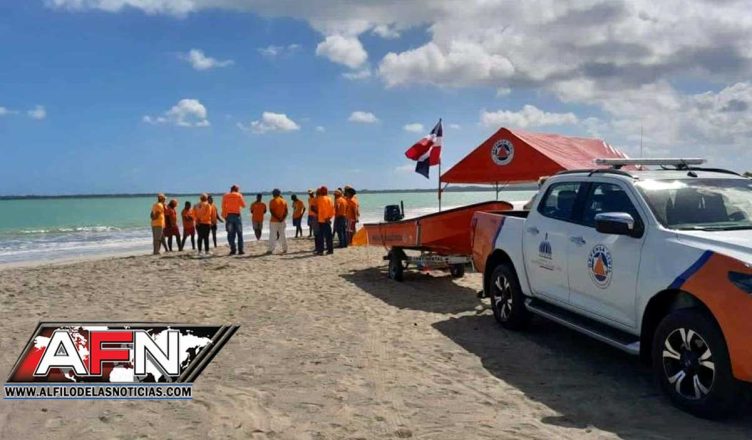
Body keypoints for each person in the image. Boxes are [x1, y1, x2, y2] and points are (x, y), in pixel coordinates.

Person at [222, 185, 246, 255]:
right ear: (237, 189)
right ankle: (240, 250)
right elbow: (243, 205)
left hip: (229, 216)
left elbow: (223, 207)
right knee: (239, 233)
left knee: (230, 234)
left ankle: (233, 249)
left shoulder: (225, 196)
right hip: (237, 216)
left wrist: (225, 216)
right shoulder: (239, 195)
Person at [267, 189, 288, 254]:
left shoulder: (272, 201)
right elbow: (286, 212)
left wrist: (278, 218)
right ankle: (285, 249)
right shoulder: (284, 201)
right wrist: (282, 218)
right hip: (282, 221)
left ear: (274, 194)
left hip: (274, 221)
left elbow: (272, 212)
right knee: (283, 235)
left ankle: (271, 249)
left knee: (272, 235)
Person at [314, 186, 335, 255]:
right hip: (327, 220)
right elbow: (332, 210)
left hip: (322, 220)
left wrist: (325, 218)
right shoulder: (330, 199)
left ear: (321, 191)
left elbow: (322, 209)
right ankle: (330, 250)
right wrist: (329, 218)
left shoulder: (320, 199)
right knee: (329, 236)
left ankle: (321, 251)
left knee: (321, 236)